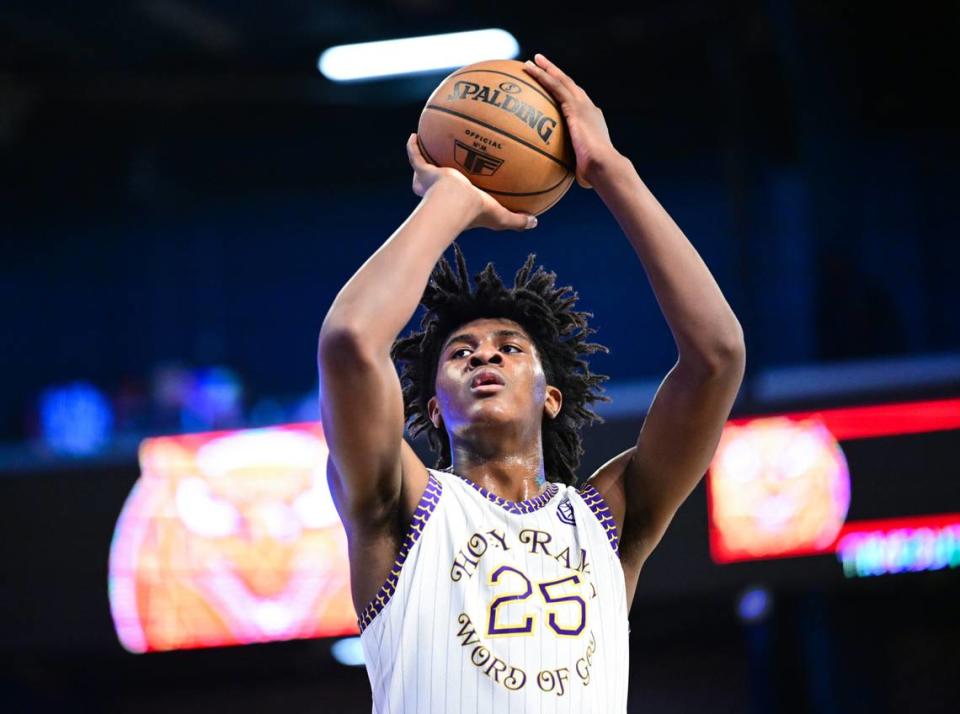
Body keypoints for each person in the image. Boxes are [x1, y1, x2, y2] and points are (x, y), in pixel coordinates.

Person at [317, 53, 745, 713]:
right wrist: (449, 204)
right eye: (460, 352)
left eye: (509, 347)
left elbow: (717, 355)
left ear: (552, 395)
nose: (483, 355)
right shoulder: (399, 507)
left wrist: (612, 172)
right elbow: (349, 342)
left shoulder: (608, 520)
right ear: (431, 407)